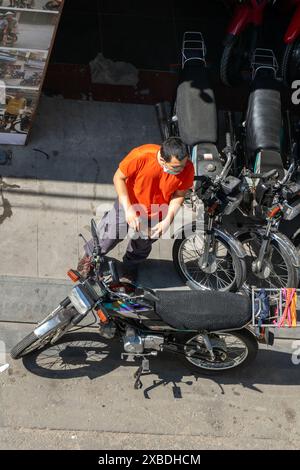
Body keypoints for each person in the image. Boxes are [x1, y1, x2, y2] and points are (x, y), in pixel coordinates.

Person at [78, 137, 195, 282]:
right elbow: (118, 178)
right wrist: (128, 209)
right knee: (110, 234)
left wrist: (167, 220)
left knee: (142, 244)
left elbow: (179, 195)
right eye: (176, 167)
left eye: (184, 165)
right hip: (129, 204)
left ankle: (130, 266)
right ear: (163, 161)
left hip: (157, 211)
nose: (182, 169)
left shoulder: (187, 167)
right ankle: (89, 258)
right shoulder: (141, 156)